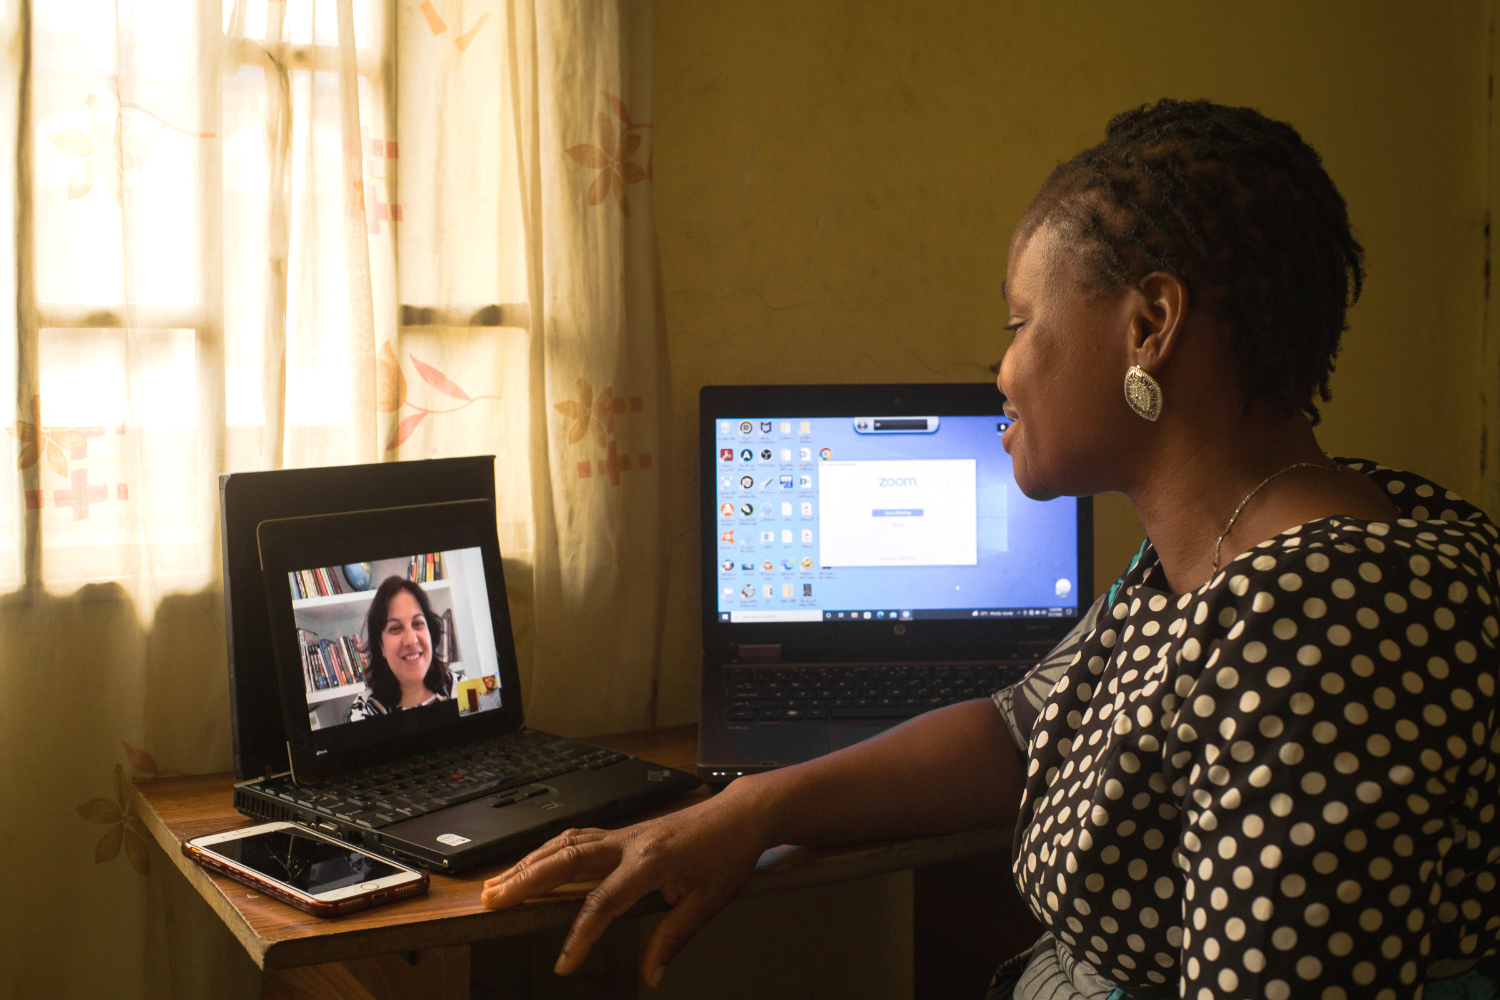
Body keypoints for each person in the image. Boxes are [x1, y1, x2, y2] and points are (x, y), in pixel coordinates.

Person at [479, 100, 1500, 998]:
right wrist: (752, 806)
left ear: (1151, 323)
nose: (1001, 370)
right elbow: (1021, 727)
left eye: (1019, 321)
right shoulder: (1218, 557)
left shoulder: (1318, 621)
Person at [346, 575, 453, 720]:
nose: (411, 640)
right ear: (381, 646)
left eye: (418, 623)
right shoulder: (363, 710)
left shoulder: (465, 688)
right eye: (395, 628)